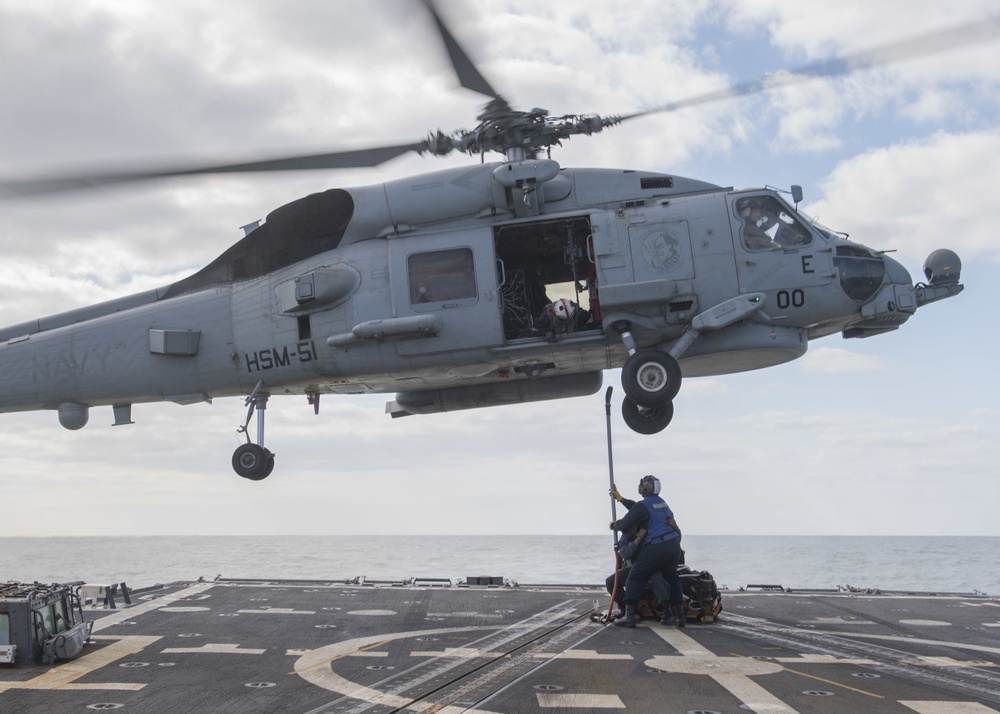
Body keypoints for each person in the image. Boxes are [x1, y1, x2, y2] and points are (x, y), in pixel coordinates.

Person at [608, 475, 684, 628]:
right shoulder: (662, 503)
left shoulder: (644, 506)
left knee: (635, 577)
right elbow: (637, 508)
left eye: (642, 484)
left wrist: (614, 525)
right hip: (674, 545)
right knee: (672, 578)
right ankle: (680, 616)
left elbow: (625, 524)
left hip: (657, 546)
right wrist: (621, 499)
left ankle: (629, 617)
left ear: (646, 487)